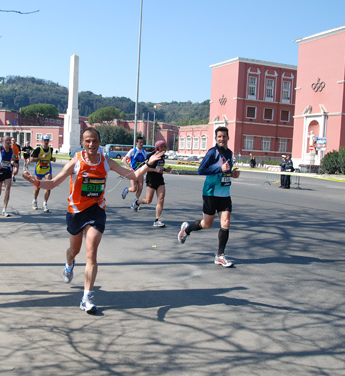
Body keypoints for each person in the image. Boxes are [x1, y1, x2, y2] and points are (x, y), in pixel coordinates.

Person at [22, 127, 163, 314]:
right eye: (87, 141)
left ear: (99, 142)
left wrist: (148, 163)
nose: (91, 144)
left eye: (95, 141)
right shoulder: (76, 162)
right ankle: (69, 264)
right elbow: (55, 183)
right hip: (76, 211)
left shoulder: (106, 161)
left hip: (96, 211)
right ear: (82, 142)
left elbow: (134, 176)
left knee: (91, 252)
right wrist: (37, 182)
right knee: (75, 250)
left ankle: (86, 297)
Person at [177, 126, 240, 267]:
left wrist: (232, 174)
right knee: (207, 224)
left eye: (224, 136)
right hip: (210, 193)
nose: (222, 139)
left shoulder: (229, 153)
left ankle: (220, 256)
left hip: (224, 193)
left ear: (228, 138)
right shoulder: (212, 152)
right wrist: (220, 169)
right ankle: (186, 230)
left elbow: (226, 171)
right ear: (216, 138)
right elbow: (201, 170)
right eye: (219, 137)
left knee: (226, 222)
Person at [131, 140, 172, 228]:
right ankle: (137, 202)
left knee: (161, 199)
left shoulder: (162, 156)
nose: (166, 148)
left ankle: (157, 220)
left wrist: (165, 170)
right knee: (148, 200)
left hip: (160, 180)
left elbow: (159, 167)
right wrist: (155, 170)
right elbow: (145, 168)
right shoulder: (150, 156)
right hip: (151, 180)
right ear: (160, 147)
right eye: (164, 146)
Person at [30, 135, 56, 212]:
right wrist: (41, 158)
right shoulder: (38, 149)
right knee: (37, 187)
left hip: (47, 170)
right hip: (39, 170)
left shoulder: (50, 149)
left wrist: (52, 159)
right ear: (42, 141)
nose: (46, 142)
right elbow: (31, 159)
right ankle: (34, 200)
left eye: (47, 140)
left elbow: (49, 158)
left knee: (49, 185)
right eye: (45, 140)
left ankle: (45, 203)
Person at [121, 136, 147, 202]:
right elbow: (124, 160)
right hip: (133, 172)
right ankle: (127, 190)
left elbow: (145, 162)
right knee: (134, 188)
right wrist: (129, 168)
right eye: (140, 142)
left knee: (140, 187)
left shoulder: (144, 152)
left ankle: (136, 202)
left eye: (142, 142)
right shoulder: (133, 151)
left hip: (140, 172)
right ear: (136, 143)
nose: (141, 144)